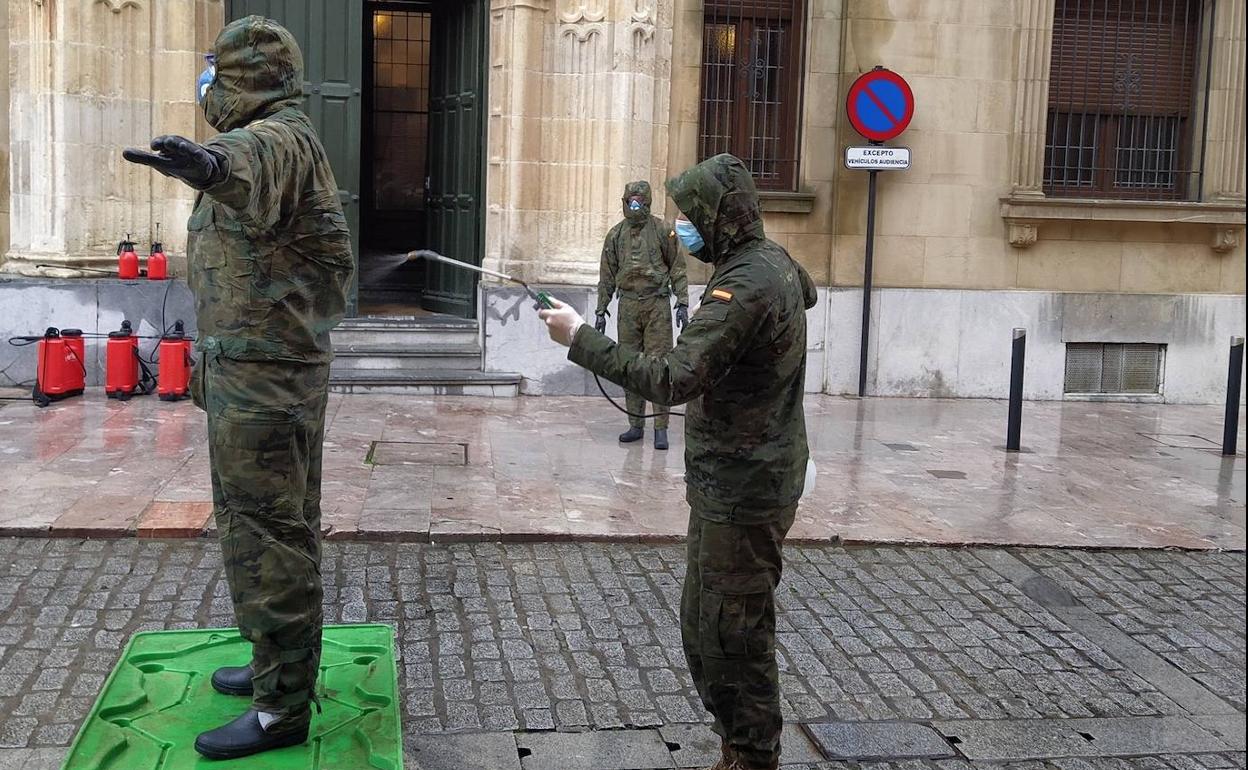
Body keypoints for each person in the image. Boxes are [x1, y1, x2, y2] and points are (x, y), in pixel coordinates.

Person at [123, 16, 353, 761]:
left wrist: (207, 167)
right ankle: (272, 663)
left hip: (267, 379)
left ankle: (280, 709)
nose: (207, 86)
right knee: (264, 527)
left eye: (215, 73)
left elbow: (243, 164)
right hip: (253, 371)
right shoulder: (280, 129)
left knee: (268, 537)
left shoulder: (278, 136)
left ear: (247, 79)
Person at [539, 154, 816, 770]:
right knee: (704, 624)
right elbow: (808, 289)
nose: (682, 228)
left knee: (733, 635)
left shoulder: (743, 285)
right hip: (733, 482)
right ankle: (738, 744)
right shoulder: (769, 263)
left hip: (746, 489)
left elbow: (672, 377)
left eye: (691, 216)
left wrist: (579, 337)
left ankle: (751, 755)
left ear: (723, 219)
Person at [594, 180, 689, 450]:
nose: (635, 207)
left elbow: (678, 268)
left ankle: (661, 427)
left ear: (648, 203)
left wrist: (682, 302)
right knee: (630, 365)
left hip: (656, 305)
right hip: (628, 307)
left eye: (640, 202)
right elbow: (607, 275)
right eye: (631, 202)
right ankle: (636, 423)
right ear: (624, 202)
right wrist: (602, 309)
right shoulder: (615, 235)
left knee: (659, 366)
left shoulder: (663, 231)